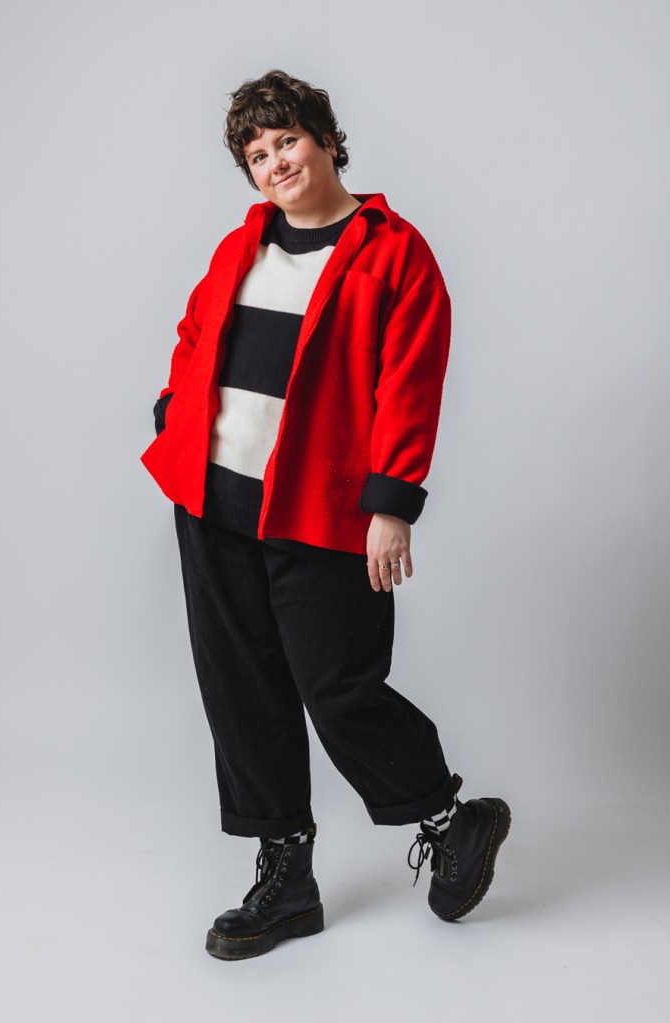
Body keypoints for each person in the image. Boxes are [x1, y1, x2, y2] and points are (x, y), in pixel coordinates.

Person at [141, 69, 510, 960]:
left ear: (327, 139)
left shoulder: (393, 251)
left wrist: (390, 507)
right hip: (214, 501)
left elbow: (409, 385)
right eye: (256, 154)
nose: (274, 163)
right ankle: (286, 875)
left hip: (321, 510)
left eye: (286, 142)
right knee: (242, 689)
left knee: (338, 686)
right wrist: (172, 413)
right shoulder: (242, 246)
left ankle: (453, 818)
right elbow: (195, 335)